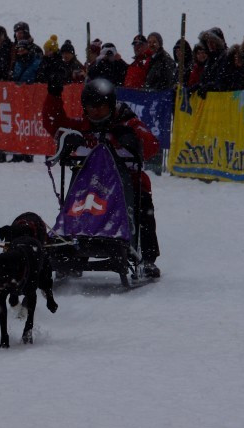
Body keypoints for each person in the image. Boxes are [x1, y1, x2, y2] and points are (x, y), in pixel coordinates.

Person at [43, 75, 162, 277]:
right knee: (75, 204)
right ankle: (71, 249)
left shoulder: (128, 121)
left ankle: (148, 259)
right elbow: (55, 124)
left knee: (144, 207)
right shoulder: (83, 126)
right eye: (90, 106)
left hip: (127, 186)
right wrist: (54, 96)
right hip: (88, 186)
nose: (95, 111)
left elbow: (151, 146)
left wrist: (132, 139)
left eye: (100, 106)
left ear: (111, 105)